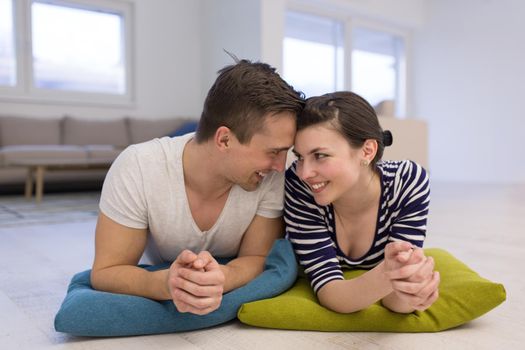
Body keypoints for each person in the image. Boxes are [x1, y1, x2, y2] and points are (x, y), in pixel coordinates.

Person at [90, 59, 304, 315]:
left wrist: (225, 276)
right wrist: (166, 283)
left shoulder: (273, 173)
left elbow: (258, 258)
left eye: (285, 152)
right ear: (224, 139)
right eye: (273, 152)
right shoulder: (138, 167)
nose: (281, 165)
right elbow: (106, 271)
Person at [284, 91, 439, 314]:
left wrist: (415, 293)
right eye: (300, 157)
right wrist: (393, 275)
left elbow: (395, 301)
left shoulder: (407, 181)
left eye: (320, 155)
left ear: (367, 151)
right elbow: (331, 292)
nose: (305, 173)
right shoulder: (299, 185)